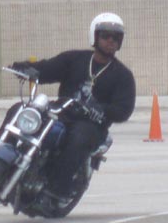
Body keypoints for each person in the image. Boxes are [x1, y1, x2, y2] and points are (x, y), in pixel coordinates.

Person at [10, 12, 136, 204]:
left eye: (116, 37)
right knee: (19, 110)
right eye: (105, 36)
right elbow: (47, 69)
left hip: (92, 125)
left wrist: (101, 109)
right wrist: (25, 68)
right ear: (95, 36)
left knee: (79, 136)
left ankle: (57, 190)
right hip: (60, 114)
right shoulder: (75, 59)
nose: (111, 41)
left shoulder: (123, 75)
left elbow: (124, 109)